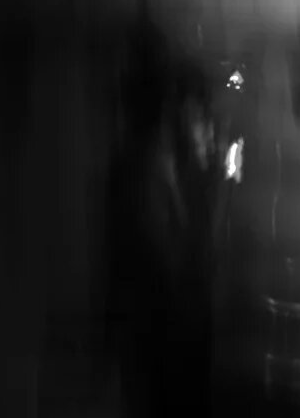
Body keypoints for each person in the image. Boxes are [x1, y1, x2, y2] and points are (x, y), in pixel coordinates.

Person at [105, 22, 214, 418]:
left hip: (166, 328)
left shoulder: (161, 165)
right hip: (161, 330)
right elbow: (158, 255)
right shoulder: (143, 168)